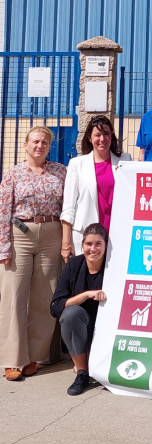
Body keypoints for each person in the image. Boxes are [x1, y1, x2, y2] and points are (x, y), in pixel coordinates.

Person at [0, 126, 66, 381]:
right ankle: (12, 358)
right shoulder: (13, 174)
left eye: (45, 142)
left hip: (52, 233)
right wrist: (4, 247)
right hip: (21, 234)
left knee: (44, 297)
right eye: (36, 141)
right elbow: (4, 212)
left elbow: (69, 203)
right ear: (26, 145)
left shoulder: (60, 171)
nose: (40, 146)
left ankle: (35, 357)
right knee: (14, 296)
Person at [49, 223, 108, 396]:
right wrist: (86, 295)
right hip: (81, 327)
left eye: (98, 244)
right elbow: (55, 307)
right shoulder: (73, 265)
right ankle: (82, 373)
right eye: (89, 244)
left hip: (106, 327)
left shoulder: (115, 266)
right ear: (82, 245)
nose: (93, 249)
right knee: (70, 314)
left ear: (106, 245)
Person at [61, 116, 131, 258]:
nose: (102, 139)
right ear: (89, 138)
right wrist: (66, 243)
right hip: (86, 236)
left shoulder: (125, 160)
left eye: (106, 134)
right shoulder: (77, 164)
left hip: (117, 233)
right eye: (97, 135)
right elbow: (68, 207)